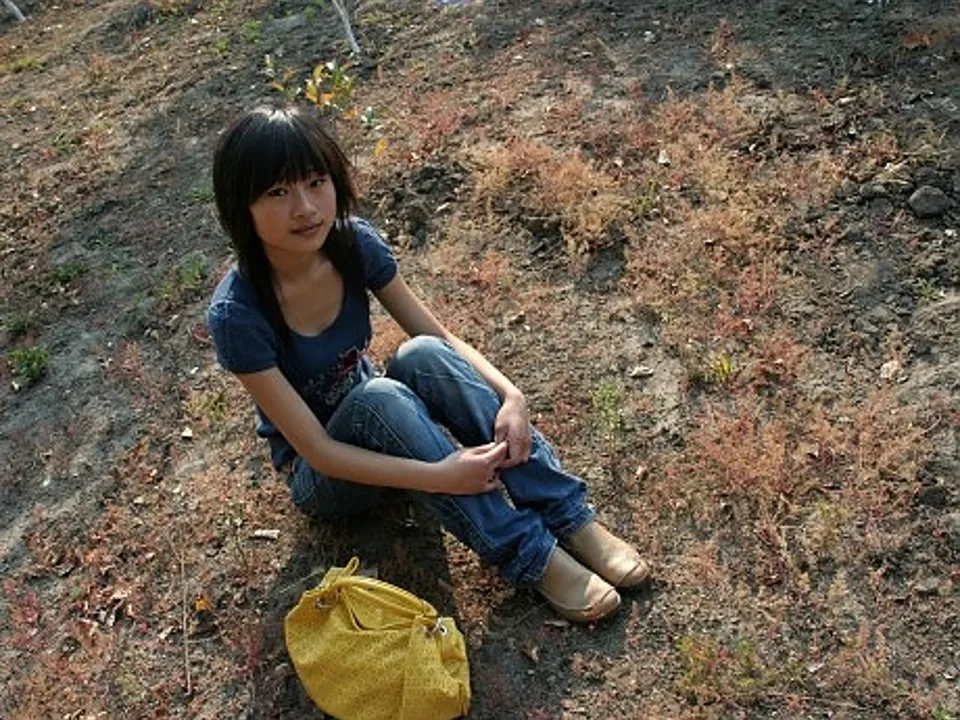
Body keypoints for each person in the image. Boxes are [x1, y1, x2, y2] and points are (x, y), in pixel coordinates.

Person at [207, 106, 650, 622]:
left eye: (315, 182)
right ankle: (532, 555)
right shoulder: (238, 314)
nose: (305, 207)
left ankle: (570, 517)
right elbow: (320, 452)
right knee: (377, 398)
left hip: (383, 420)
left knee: (422, 355)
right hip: (324, 476)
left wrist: (511, 395)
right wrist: (438, 476)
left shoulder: (352, 244)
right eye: (277, 192)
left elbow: (440, 337)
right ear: (241, 206)